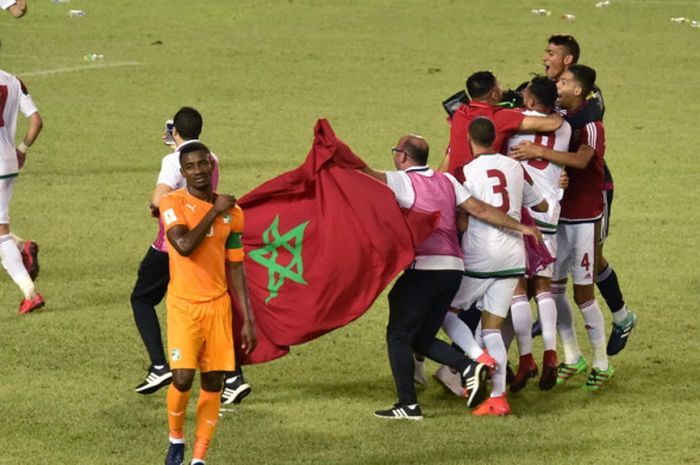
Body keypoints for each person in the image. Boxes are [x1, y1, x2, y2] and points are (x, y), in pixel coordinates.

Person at [359, 134, 542, 420]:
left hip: (426, 268)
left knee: (398, 336)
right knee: (421, 337)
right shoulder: (448, 181)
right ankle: (467, 365)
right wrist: (521, 227)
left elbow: (367, 176)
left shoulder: (404, 180)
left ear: (403, 156)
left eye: (396, 151)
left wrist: (338, 156)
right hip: (454, 269)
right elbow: (480, 209)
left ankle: (408, 405)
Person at [131, 107, 252, 405]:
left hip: (174, 244)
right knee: (214, 305)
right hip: (211, 241)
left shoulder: (173, 160)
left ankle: (160, 366)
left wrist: (154, 204)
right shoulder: (210, 158)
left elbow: (159, 199)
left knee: (142, 299)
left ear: (175, 131)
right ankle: (233, 377)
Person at [511, 64, 613, 391]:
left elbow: (583, 161)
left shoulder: (592, 126)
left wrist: (539, 151)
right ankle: (572, 357)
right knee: (553, 290)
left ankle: (601, 362)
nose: (559, 84)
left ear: (578, 90)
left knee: (583, 292)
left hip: (583, 216)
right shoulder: (559, 117)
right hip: (557, 214)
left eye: (564, 81)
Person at [160, 142, 256, 465]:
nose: (199, 170)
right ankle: (176, 438)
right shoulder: (171, 203)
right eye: (191, 166)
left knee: (213, 382)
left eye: (204, 164)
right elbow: (184, 244)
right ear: (183, 171)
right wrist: (215, 211)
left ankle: (199, 458)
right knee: (183, 377)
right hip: (184, 306)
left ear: (212, 167)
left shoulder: (234, 213)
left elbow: (236, 265)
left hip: (217, 307)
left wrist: (248, 319)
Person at [444, 117, 547, 416]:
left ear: (469, 139)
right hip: (514, 257)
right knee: (492, 328)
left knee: (445, 312)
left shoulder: (465, 172)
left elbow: (463, 217)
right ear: (495, 139)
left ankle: (478, 358)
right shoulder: (516, 167)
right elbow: (540, 205)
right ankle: (498, 398)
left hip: (481, 256)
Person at [540, 34, 636, 355]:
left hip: (593, 189)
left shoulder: (589, 99)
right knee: (552, 257)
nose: (545, 58)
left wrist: (556, 121)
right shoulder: (550, 89)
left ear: (568, 62)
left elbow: (582, 122)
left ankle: (622, 317)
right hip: (562, 185)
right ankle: (549, 312)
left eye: (551, 54)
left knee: (590, 264)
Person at [505, 76, 571, 391]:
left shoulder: (513, 127)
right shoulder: (565, 128)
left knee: (518, 288)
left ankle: (526, 359)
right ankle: (551, 355)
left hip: (520, 212)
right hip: (550, 214)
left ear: (530, 102)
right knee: (543, 287)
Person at [438, 70, 563, 178]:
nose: (502, 89)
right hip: (479, 185)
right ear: (493, 94)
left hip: (454, 185)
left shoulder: (459, 113)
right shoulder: (501, 117)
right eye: (499, 86)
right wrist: (558, 110)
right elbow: (552, 123)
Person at [0, 67, 43, 314]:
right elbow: (36, 121)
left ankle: (30, 293)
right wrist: (22, 149)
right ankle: (20, 248)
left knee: (0, 234)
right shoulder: (15, 81)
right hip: (8, 161)